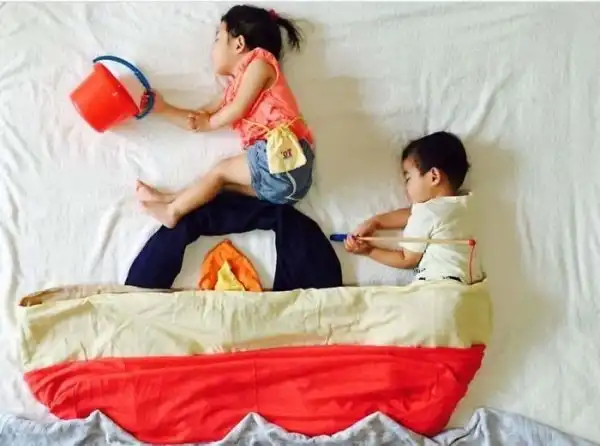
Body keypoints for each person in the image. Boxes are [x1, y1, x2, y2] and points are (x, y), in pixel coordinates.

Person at [136, 5, 314, 228]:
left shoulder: (260, 64)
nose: (213, 48)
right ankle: (170, 199)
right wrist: (162, 108)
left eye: (218, 39)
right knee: (218, 185)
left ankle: (173, 212)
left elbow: (237, 109)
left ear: (239, 44)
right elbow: (198, 118)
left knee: (220, 172)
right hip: (287, 186)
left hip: (285, 155)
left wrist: (210, 123)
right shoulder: (233, 88)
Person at [344, 131, 484, 284]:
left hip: (439, 286)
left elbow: (407, 259)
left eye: (408, 178)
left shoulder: (427, 212)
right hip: (475, 287)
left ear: (434, 177)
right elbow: (412, 215)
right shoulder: (468, 203)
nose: (406, 188)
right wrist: (375, 222)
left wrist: (368, 250)